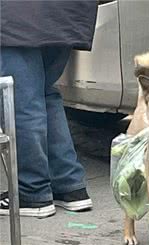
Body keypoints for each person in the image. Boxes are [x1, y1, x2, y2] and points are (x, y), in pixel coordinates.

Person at [0, 0, 98, 218]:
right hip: (64, 12)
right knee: (43, 93)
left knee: (20, 99)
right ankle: (69, 186)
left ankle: (32, 192)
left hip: (19, 14)